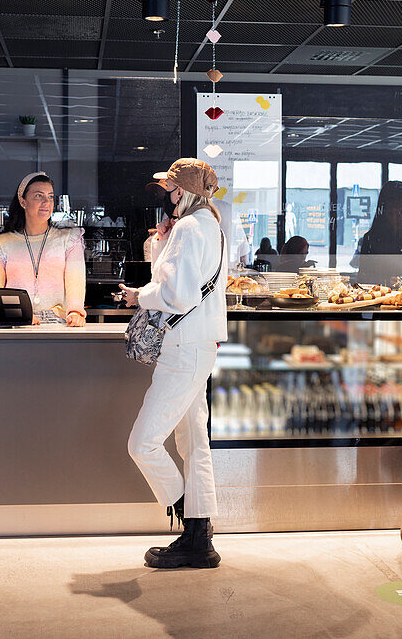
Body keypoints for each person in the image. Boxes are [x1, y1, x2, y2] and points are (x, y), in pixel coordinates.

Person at [119, 158, 227, 569]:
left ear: (183, 190)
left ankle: (193, 529)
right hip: (200, 344)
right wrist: (162, 244)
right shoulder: (209, 225)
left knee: (142, 443)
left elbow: (177, 295)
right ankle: (200, 538)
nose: (167, 194)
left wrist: (138, 297)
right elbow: (182, 283)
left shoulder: (188, 227)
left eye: (170, 188)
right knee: (193, 442)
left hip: (183, 348)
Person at [0, 172, 86, 326]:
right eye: (39, 196)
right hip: (17, 322)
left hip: (59, 322)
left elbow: (76, 281)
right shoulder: (1, 243)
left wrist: (75, 312)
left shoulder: (69, 239)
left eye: (50, 196)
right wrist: (17, 314)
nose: (47, 202)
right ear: (22, 202)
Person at [352, 180, 402, 285]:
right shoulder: (371, 240)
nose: (396, 219)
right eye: (391, 212)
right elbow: (364, 280)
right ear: (383, 212)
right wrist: (384, 280)